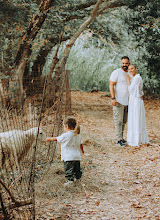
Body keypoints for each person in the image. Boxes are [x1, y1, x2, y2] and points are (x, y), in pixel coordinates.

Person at [45, 116, 84, 186]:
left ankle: (70, 181)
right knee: (77, 169)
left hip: (68, 156)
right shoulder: (78, 135)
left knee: (68, 169)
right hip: (77, 156)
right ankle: (78, 179)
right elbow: (81, 143)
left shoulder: (66, 135)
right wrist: (82, 151)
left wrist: (49, 139)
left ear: (67, 126)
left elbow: (56, 139)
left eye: (64, 126)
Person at [125, 64, 149, 147]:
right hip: (133, 100)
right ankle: (135, 138)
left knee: (136, 118)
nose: (130, 70)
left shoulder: (137, 78)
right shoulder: (135, 78)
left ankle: (136, 139)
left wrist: (128, 80)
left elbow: (130, 90)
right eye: (129, 69)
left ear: (136, 69)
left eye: (132, 68)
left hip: (136, 101)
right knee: (134, 117)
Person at [109, 56, 131, 146]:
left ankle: (122, 138)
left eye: (126, 63)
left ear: (129, 64)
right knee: (118, 120)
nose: (124, 65)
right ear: (121, 63)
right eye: (123, 63)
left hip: (128, 102)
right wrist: (113, 98)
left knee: (124, 120)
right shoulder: (116, 72)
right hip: (118, 101)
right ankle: (118, 139)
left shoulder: (130, 73)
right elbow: (111, 85)